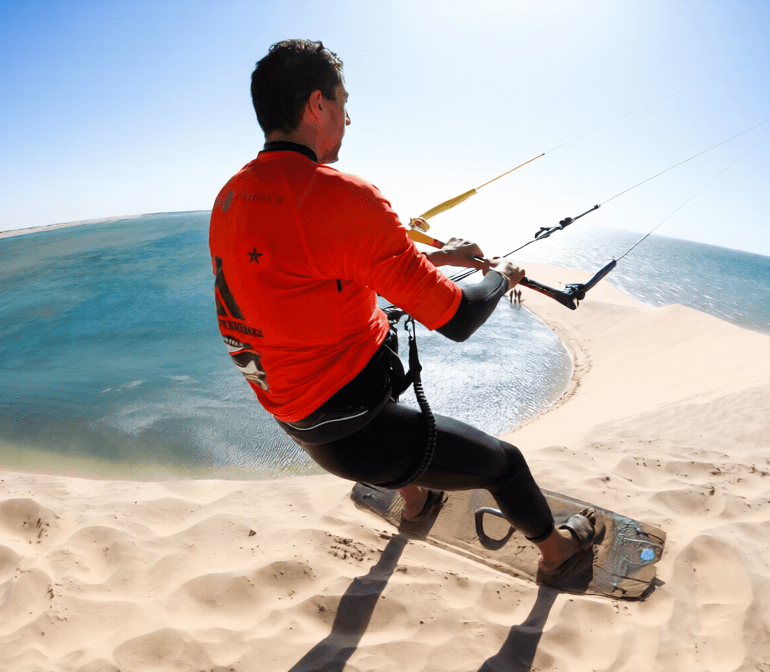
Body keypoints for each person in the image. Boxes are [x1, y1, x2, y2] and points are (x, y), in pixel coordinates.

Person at [209, 39, 593, 577]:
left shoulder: (231, 196)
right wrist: (504, 277)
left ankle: (415, 500)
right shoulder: (346, 195)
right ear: (317, 105)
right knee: (506, 465)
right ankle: (557, 554)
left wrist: (434, 256)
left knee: (383, 323)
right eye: (343, 101)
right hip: (354, 429)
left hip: (290, 410)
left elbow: (324, 263)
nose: (348, 116)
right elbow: (456, 318)